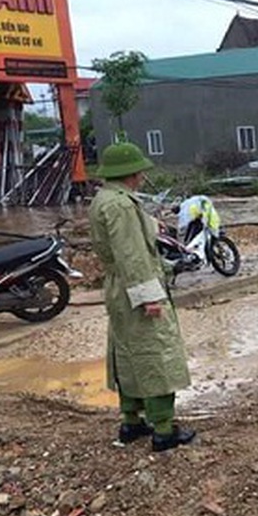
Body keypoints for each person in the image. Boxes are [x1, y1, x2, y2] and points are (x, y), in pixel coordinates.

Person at [88, 142, 196, 452]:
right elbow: (132, 255)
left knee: (128, 353)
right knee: (156, 354)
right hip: (135, 287)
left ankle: (131, 422)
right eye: (139, 171)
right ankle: (163, 429)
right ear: (131, 172)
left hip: (119, 287)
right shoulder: (120, 206)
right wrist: (149, 297)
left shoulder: (105, 199)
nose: (141, 176)